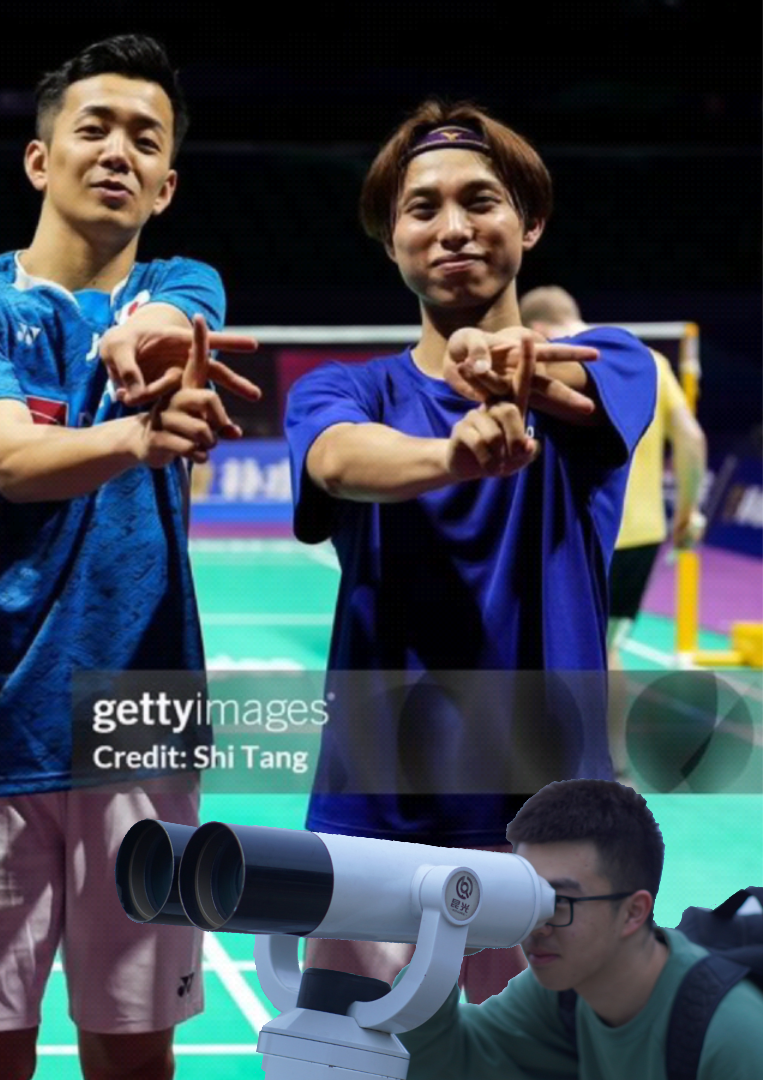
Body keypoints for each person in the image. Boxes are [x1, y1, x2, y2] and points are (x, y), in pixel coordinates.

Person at [0, 33, 260, 1080]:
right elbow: (9, 458)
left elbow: (166, 327)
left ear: (167, 182)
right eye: (92, 128)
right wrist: (134, 437)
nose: (118, 151)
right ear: (38, 159)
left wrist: (135, 347)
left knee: (134, 1049)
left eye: (145, 139)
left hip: (141, 715)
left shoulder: (188, 283)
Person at [285, 101, 657, 1003]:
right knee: (346, 1062)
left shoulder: (612, 362)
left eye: (480, 201)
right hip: (373, 821)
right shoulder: (346, 388)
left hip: (555, 833)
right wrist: (453, 454)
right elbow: (336, 459)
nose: (453, 228)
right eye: (422, 209)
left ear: (528, 224)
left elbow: (577, 389)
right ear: (392, 242)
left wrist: (525, 369)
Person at [399, 778, 763, 1078]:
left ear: (634, 912)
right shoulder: (566, 993)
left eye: (559, 902)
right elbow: (450, 1064)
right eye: (529, 899)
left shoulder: (733, 1040)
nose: (536, 927)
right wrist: (443, 945)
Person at [521, 285, 708, 779]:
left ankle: (577, 758)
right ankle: (613, 757)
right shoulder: (646, 361)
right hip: (645, 534)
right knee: (610, 644)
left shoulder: (546, 363)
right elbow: (690, 436)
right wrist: (688, 514)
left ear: (538, 328)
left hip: (586, 533)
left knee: (575, 647)